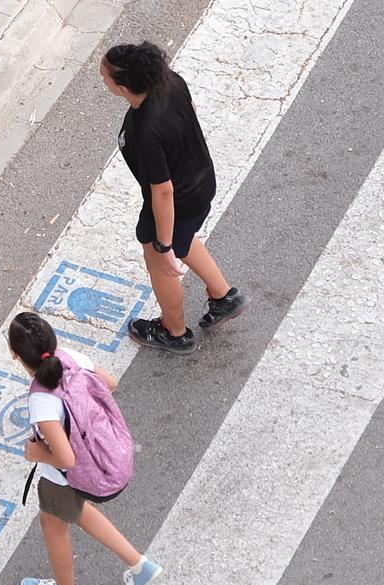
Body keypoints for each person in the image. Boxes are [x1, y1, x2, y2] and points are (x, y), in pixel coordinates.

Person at [8, 311, 161, 585]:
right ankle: (138, 564)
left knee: (53, 525)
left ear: (15, 355)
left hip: (66, 477)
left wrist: (38, 454)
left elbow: (65, 457)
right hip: (104, 457)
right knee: (76, 512)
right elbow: (110, 383)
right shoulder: (70, 358)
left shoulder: (42, 400)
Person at [101, 42, 248, 354]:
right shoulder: (171, 81)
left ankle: (174, 331)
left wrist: (163, 246)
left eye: (106, 77)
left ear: (124, 86)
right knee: (185, 237)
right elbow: (191, 112)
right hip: (201, 181)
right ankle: (224, 297)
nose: (102, 78)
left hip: (177, 201)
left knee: (160, 262)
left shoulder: (147, 132)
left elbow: (163, 192)